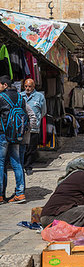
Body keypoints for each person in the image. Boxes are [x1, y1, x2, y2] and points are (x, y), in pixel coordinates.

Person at [0, 75, 28, 204]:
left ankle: (0, 195)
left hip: (3, 134)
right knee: (17, 163)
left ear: (4, 85)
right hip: (17, 134)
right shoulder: (20, 98)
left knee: (1, 164)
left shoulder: (1, 97)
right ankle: (20, 193)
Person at [20, 78, 46, 175]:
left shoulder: (40, 96)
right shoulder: (20, 96)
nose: (27, 88)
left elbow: (43, 111)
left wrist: (37, 120)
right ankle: (21, 165)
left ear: (33, 86)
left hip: (34, 127)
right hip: (22, 128)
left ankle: (28, 166)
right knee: (22, 147)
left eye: (30, 86)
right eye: (26, 86)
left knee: (31, 148)